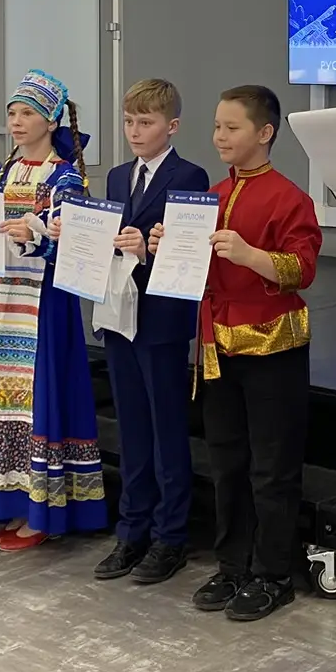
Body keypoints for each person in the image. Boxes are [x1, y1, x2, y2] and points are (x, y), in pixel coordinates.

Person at [150, 84, 320, 622]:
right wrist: (165, 246)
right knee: (227, 461)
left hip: (272, 345)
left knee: (272, 466)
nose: (219, 136)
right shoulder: (211, 195)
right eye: (217, 126)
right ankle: (232, 565)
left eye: (232, 127)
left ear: (264, 133)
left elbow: (302, 270)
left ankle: (273, 573)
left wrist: (250, 255)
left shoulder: (289, 198)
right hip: (217, 343)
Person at [0, 69, 106, 548]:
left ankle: (42, 511)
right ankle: (9, 499)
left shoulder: (65, 178)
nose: (16, 121)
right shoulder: (1, 172)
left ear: (51, 120)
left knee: (36, 397)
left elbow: (76, 243)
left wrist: (36, 238)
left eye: (27, 113)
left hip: (42, 301)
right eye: (12, 113)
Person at [93, 79, 212, 586]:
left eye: (146, 122)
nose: (135, 131)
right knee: (133, 429)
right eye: (129, 122)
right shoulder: (117, 177)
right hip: (120, 314)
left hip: (161, 318)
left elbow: (189, 252)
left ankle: (171, 536)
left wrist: (147, 249)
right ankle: (132, 530)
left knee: (166, 431)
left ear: (172, 126)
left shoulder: (191, 175)